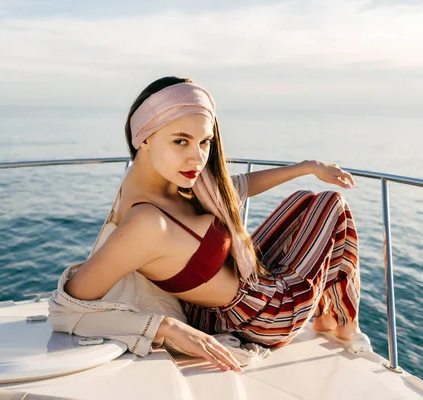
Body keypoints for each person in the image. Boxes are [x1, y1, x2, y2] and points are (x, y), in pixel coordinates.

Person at [51, 76, 367, 373]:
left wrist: (306, 167)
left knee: (304, 201)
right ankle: (341, 322)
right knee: (331, 205)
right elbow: (67, 310)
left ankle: (330, 318)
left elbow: (235, 188)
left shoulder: (163, 186)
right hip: (265, 317)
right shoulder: (146, 222)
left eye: (204, 142)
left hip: (228, 304)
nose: (197, 158)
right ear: (143, 138)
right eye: (180, 141)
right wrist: (165, 325)